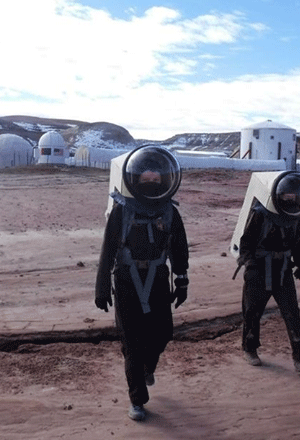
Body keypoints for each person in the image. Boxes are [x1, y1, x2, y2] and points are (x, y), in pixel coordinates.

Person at [95, 146, 189, 421]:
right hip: (126, 280)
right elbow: (108, 250)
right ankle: (137, 399)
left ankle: (148, 367)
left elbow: (179, 249)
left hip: (158, 279)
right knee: (132, 342)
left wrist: (181, 280)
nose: (150, 182)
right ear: (135, 179)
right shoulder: (121, 211)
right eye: (145, 177)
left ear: (164, 179)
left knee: (163, 334)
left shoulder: (170, 212)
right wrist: (101, 288)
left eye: (155, 178)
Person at [237, 173, 300, 375]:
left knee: (292, 314)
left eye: (293, 194)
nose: (290, 198)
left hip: (283, 271)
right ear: (278, 194)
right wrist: (250, 263)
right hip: (259, 269)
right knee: (252, 312)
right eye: (286, 194)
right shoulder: (260, 213)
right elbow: (246, 242)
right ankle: (250, 348)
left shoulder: (294, 216)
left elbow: (297, 242)